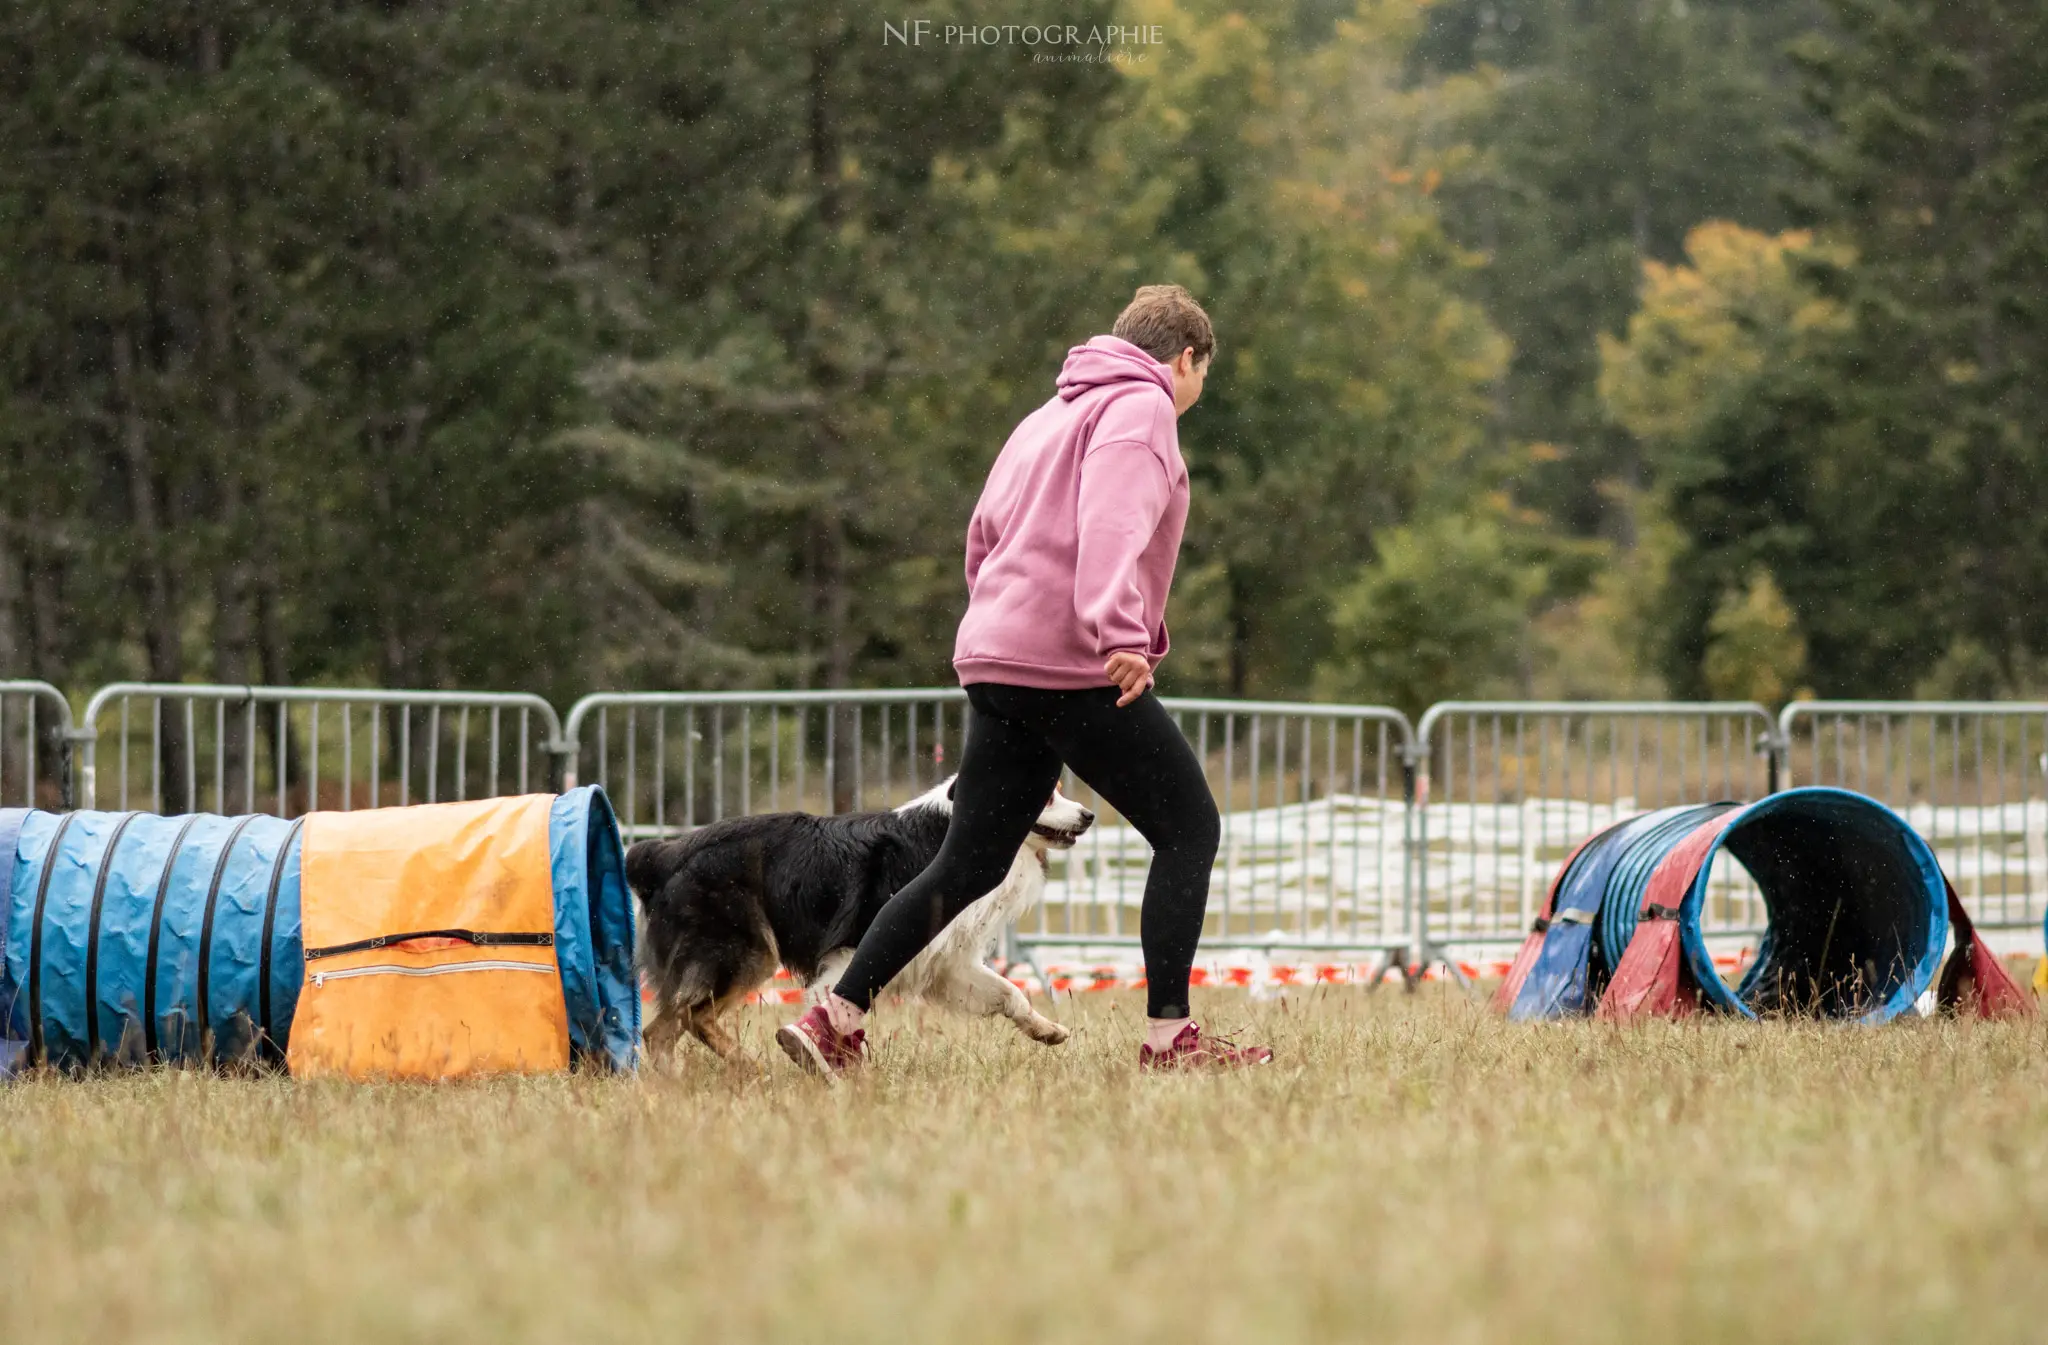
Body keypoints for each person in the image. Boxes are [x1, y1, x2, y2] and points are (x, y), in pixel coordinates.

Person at [776, 284, 1273, 1077]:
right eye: (1201, 376)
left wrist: (1000, 622)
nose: (1195, 395)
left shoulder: (1048, 415)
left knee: (968, 861)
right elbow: (1112, 520)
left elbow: (984, 533)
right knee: (1189, 830)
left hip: (1000, 657)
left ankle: (835, 1017)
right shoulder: (1141, 409)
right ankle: (1168, 1038)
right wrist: (1120, 630)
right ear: (1186, 358)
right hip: (1072, 658)